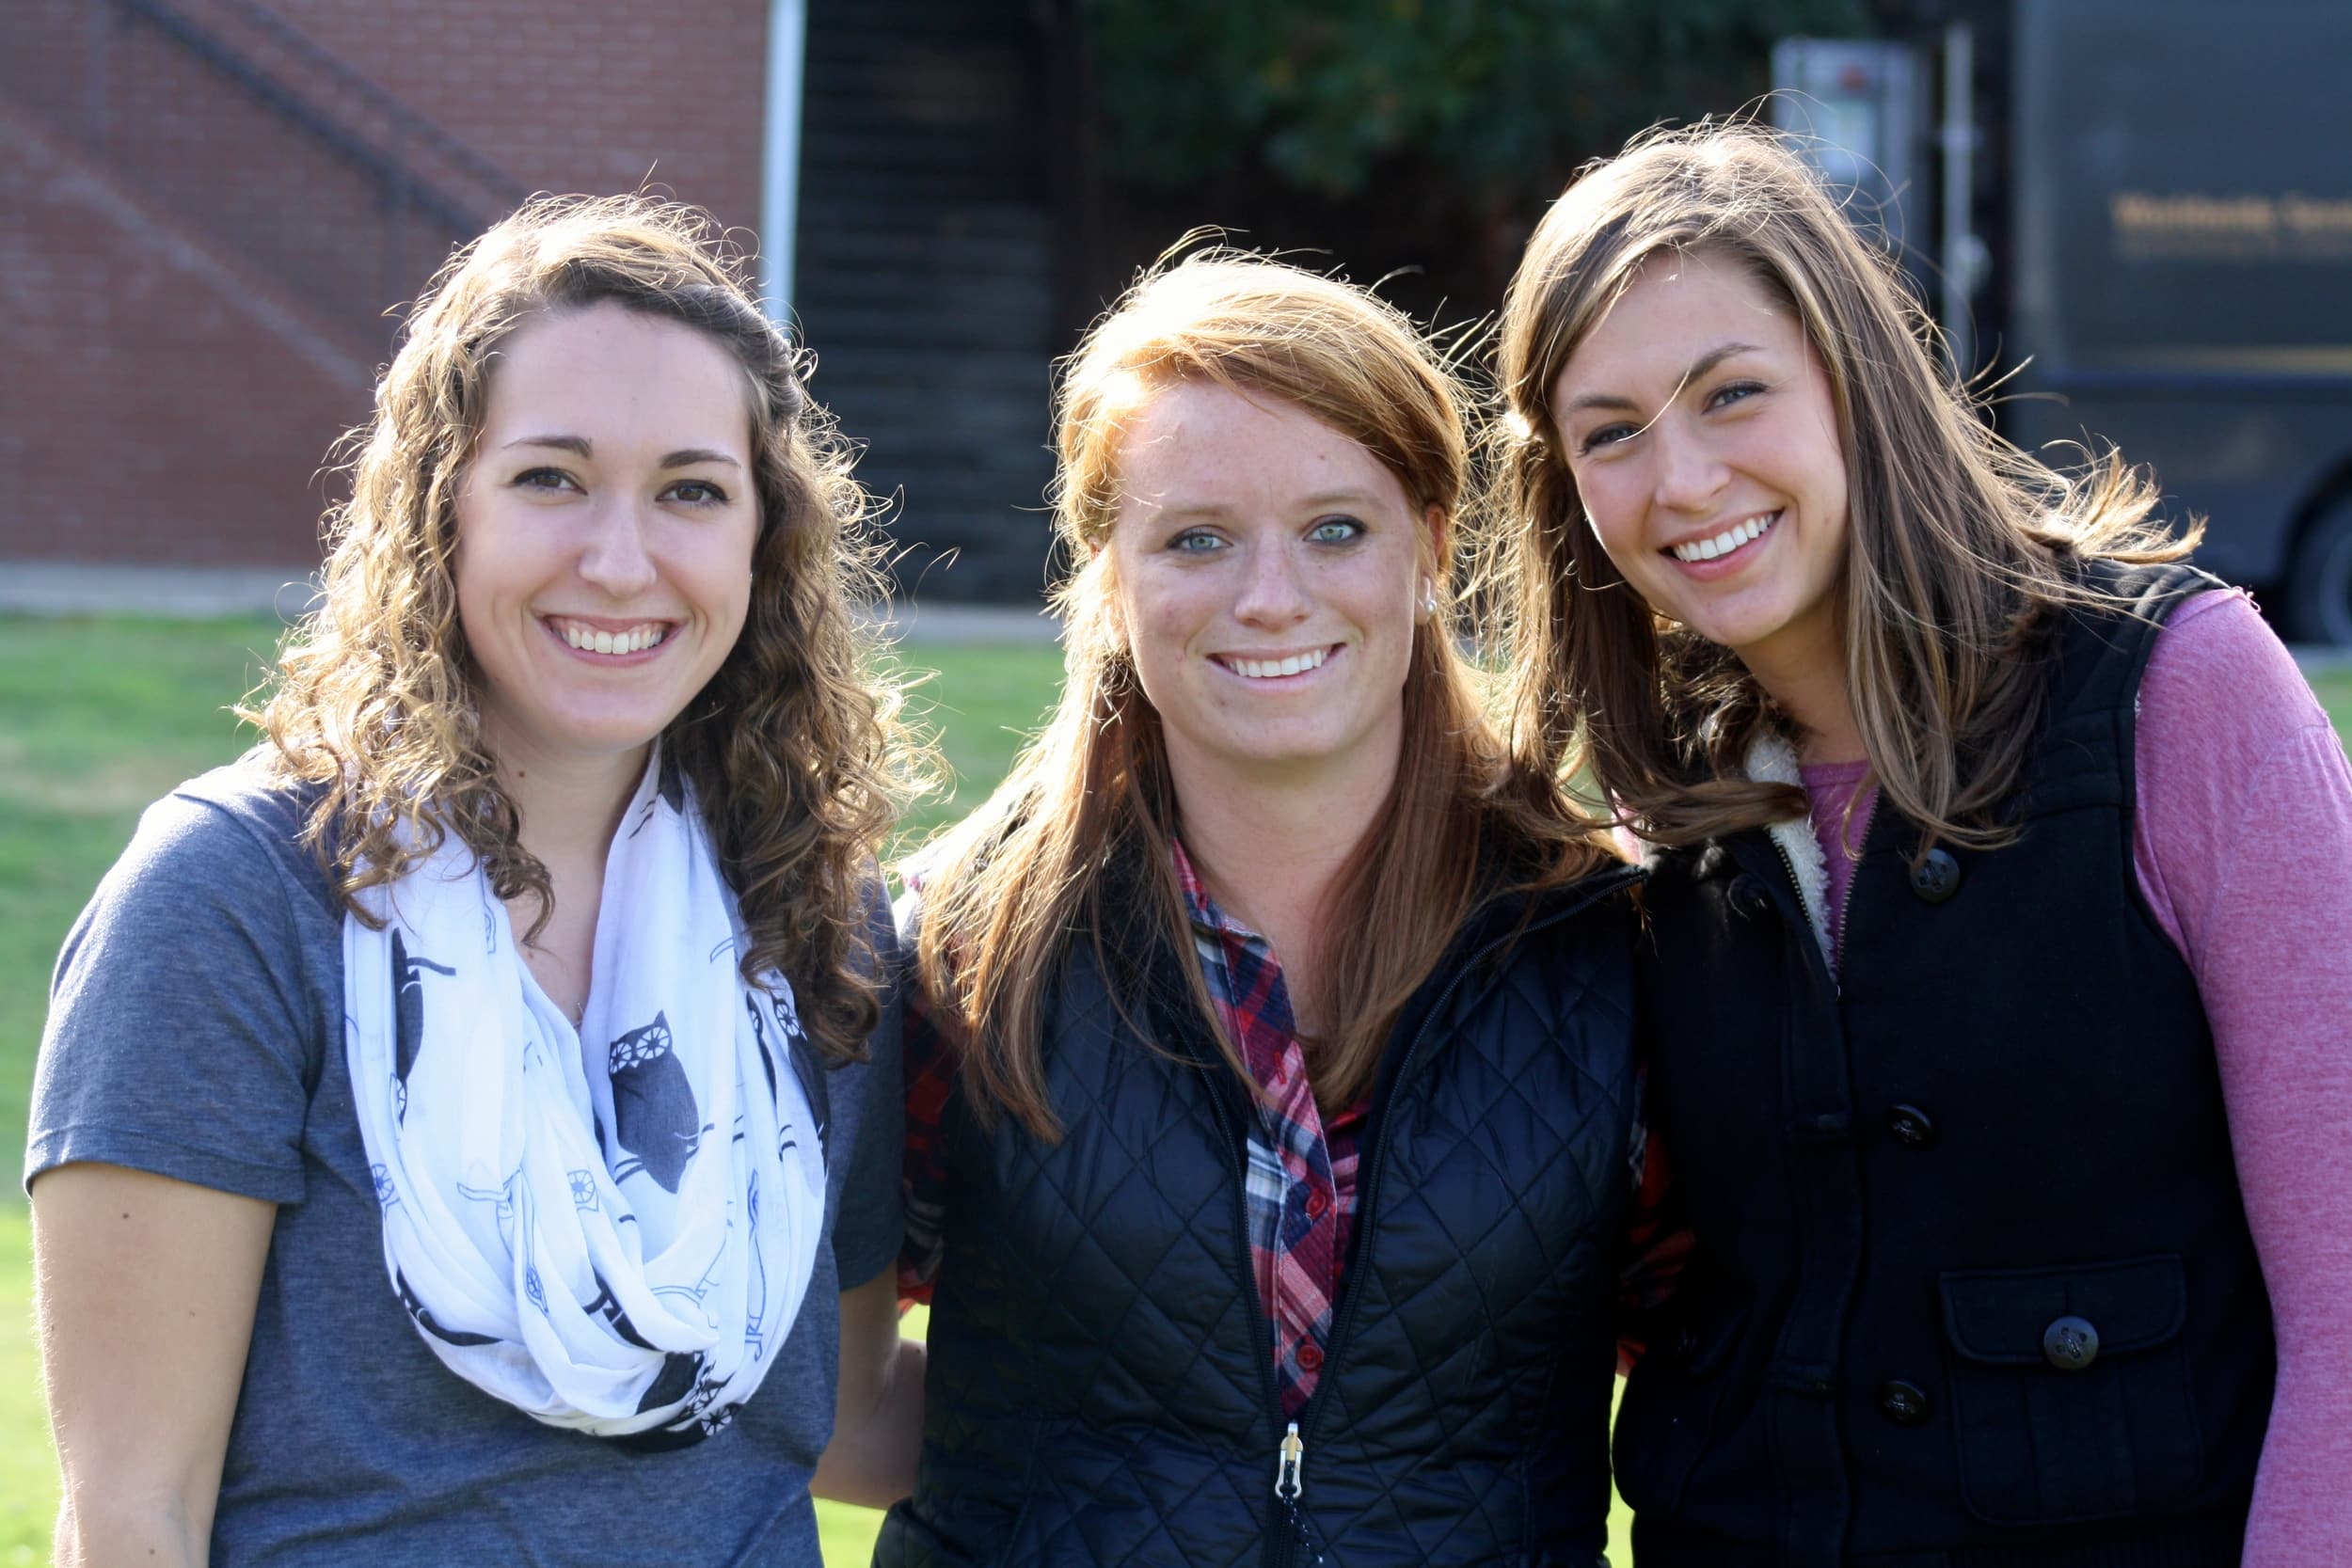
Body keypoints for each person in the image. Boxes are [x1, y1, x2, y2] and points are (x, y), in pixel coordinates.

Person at [1493, 123, 2352, 1567]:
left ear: (1857, 378)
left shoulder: (2182, 691)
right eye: (1612, 431)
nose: (1684, 479)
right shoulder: (1652, 802)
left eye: (1733, 394)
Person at [27, 195, 925, 1566]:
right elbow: (133, 1518)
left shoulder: (817, 920)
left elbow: (846, 1414)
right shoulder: (234, 905)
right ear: (437, 509)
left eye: (691, 489)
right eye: (550, 478)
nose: (620, 562)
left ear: (763, 538)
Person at [878, 253, 1645, 1566]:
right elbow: (813, 1393)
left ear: (1432, 549)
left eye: (1337, 529)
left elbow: (1742, 1385)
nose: (1270, 597)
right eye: (1196, 538)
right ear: (1110, 580)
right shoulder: (955, 948)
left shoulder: (1615, 947)